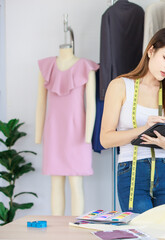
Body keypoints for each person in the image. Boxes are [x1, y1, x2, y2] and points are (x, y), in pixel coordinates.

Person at [100, 28, 165, 213]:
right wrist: (143, 129)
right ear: (151, 51)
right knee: (141, 231)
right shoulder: (120, 86)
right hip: (132, 170)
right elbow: (105, 139)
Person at [35, 46, 98, 216]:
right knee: (55, 182)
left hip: (77, 132)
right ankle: (57, 229)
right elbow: (41, 103)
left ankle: (75, 227)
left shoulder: (85, 67)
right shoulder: (47, 67)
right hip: (54, 132)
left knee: (76, 181)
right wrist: (38, 135)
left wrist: (87, 135)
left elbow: (91, 104)